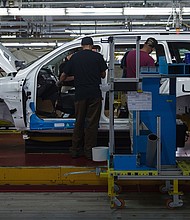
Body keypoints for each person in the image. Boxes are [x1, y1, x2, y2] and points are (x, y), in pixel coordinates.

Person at [57, 36, 108, 159]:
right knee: (92, 123)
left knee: (79, 121)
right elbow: (103, 74)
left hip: (80, 95)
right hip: (94, 95)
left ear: (81, 45)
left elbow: (64, 75)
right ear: (92, 46)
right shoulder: (98, 57)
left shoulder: (75, 57)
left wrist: (61, 82)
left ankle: (75, 150)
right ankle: (89, 151)